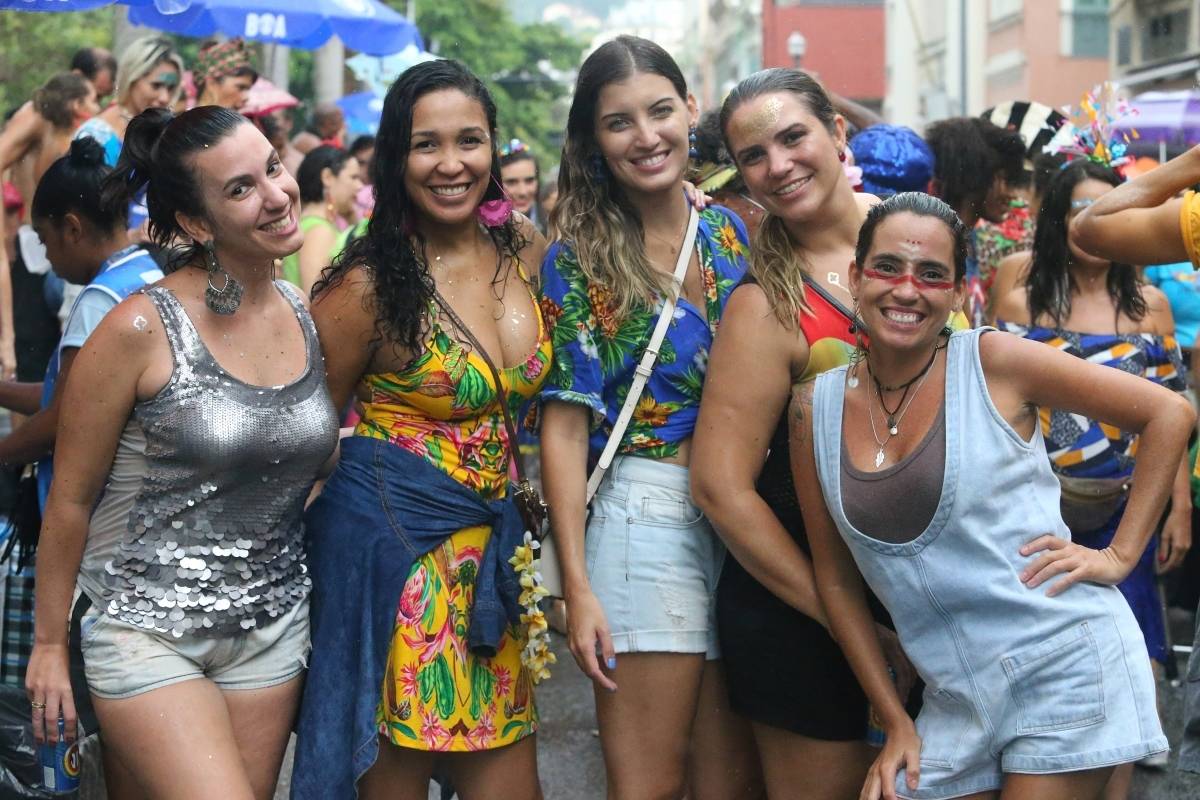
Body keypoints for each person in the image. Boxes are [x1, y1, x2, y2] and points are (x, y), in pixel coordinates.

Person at [790, 191, 1186, 800]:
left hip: (1064, 665)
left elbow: (1168, 413)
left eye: (931, 275)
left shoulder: (993, 360)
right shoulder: (812, 408)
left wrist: (1117, 556)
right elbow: (836, 579)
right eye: (888, 267)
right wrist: (894, 719)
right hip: (954, 697)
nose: (906, 289)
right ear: (855, 275)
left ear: (956, 294)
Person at [24, 105, 337, 798]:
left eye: (274, 171)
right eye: (240, 189)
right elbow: (71, 500)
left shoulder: (303, 315)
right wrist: (49, 646)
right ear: (195, 224)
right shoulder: (138, 326)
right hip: (145, 630)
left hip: (270, 631)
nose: (278, 195)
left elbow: (305, 462)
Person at [292, 59, 549, 799]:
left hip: (500, 575)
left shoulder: (524, 249)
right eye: (424, 145)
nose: (450, 164)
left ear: (494, 146)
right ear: (394, 157)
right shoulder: (366, 284)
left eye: (469, 141)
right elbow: (308, 434)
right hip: (398, 578)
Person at [538, 35, 758, 799]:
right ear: (594, 140)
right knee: (650, 786)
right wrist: (576, 583)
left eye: (661, 111)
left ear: (692, 112)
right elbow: (563, 427)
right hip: (644, 518)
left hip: (741, 520)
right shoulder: (579, 259)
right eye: (619, 122)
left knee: (729, 782)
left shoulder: (730, 234)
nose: (647, 136)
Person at [690, 68, 906, 800]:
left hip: (927, 604)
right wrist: (842, 620)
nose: (777, 165)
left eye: (793, 137)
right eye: (754, 155)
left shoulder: (911, 244)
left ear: (837, 133)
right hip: (802, 622)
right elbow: (721, 490)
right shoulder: (765, 304)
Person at [993, 160, 1189, 792]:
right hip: (1032, 514)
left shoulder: (1151, 306)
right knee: (1038, 660)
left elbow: (1173, 410)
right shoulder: (1014, 290)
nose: (1091, 225)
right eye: (1076, 210)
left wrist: (1176, 506)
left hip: (1123, 513)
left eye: (1106, 212)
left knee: (1129, 665)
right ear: (1055, 217)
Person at [0, 138, 164, 502]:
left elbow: (62, 417)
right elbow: (65, 395)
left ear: (72, 229)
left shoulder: (99, 299)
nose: (47, 256)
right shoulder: (148, 272)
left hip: (93, 506)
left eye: (44, 239)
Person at [924, 117, 1025, 325]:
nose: (1013, 194)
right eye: (1006, 180)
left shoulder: (969, 237)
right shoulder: (936, 242)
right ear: (981, 175)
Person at [73, 36, 184, 168]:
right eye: (156, 85)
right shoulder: (95, 135)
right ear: (131, 79)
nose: (165, 97)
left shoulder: (168, 134)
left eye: (171, 88)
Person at [279, 145, 362, 292]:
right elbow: (314, 295)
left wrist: (352, 219)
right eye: (353, 177)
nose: (359, 186)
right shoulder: (319, 230)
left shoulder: (310, 223)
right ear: (328, 177)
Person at [194, 39, 257, 111]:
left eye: (247, 89)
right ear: (212, 83)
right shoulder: (185, 121)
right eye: (241, 87)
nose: (246, 98)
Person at [499, 139, 541, 229]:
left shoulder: (556, 226)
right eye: (511, 182)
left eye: (529, 181)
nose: (522, 192)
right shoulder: (481, 232)